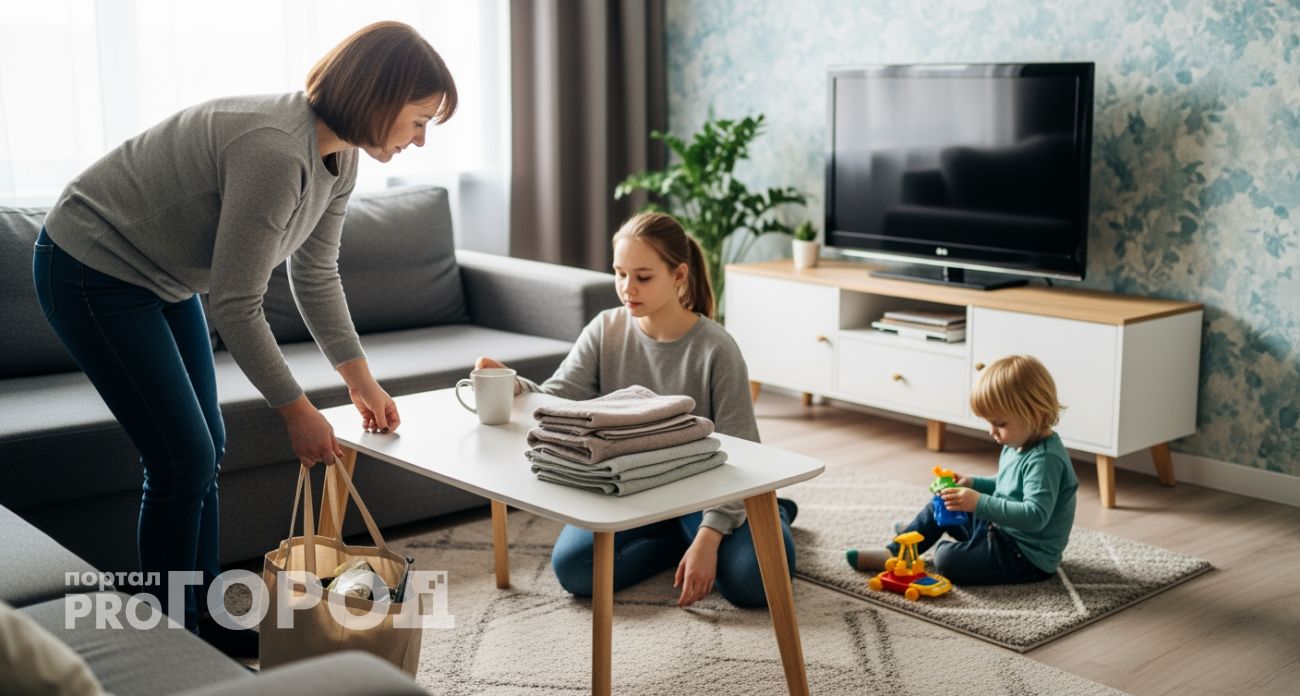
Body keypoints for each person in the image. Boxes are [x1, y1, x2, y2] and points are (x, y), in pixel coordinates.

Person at [31, 21, 457, 649]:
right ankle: (169, 639)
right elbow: (237, 305)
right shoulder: (275, 152)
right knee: (183, 456)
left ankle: (204, 620)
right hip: (92, 266)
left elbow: (314, 272)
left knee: (207, 444)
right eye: (419, 120)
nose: (420, 140)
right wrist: (298, 411)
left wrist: (360, 382)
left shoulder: (339, 158)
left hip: (163, 280)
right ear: (378, 96)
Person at [476, 212, 797, 608]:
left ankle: (768, 516)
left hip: (708, 493)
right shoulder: (605, 329)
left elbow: (748, 458)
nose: (627, 288)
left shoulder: (717, 349)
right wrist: (514, 385)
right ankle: (673, 541)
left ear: (679, 276)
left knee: (755, 582)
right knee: (575, 570)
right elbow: (557, 399)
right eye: (619, 273)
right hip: (629, 488)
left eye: (643, 277)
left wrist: (709, 535)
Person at [846, 355, 1078, 584]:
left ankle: (929, 535)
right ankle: (897, 550)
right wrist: (973, 484)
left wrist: (978, 502)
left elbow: (1035, 517)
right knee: (947, 499)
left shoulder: (1046, 460)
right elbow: (1007, 484)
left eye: (999, 424)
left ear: (1033, 413)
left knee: (946, 558)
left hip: (1023, 555)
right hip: (999, 529)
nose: (991, 431)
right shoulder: (1018, 442)